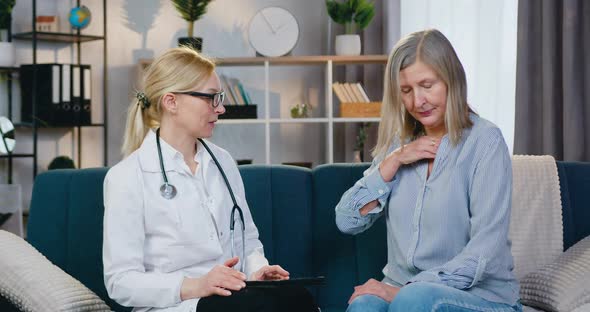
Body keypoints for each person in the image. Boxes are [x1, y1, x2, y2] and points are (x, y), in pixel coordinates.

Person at [103, 47, 317, 312]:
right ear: (171, 102)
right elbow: (121, 283)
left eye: (220, 98)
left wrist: (258, 270)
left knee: (297, 297)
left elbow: (248, 240)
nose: (222, 108)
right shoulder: (127, 177)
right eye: (211, 98)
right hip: (177, 305)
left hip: (235, 297)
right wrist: (197, 285)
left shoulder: (223, 161)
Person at [335, 29, 522, 312]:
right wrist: (394, 161)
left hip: (480, 297)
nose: (417, 101)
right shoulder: (399, 145)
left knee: (414, 299)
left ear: (451, 80)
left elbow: (484, 253)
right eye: (407, 90)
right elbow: (346, 220)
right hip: (405, 289)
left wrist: (401, 290)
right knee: (363, 306)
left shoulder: (485, 142)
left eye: (427, 85)